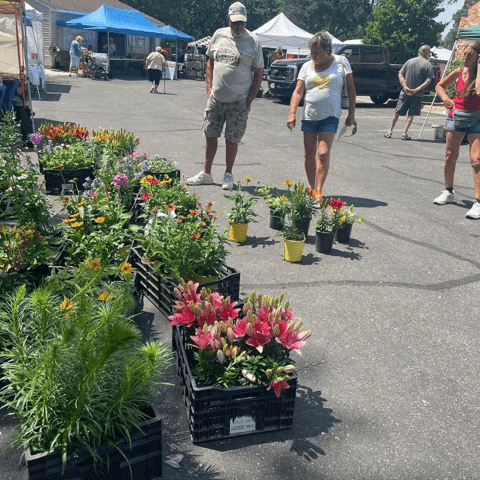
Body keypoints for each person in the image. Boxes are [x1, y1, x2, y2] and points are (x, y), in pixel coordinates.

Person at [186, 2, 263, 190]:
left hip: (239, 100)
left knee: (232, 138)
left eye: (242, 23)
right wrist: (209, 89)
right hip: (216, 99)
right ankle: (206, 173)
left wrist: (249, 98)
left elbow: (259, 73)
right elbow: (210, 63)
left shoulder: (253, 41)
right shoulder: (219, 35)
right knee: (210, 135)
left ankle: (228, 174)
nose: (238, 27)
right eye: (235, 22)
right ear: (228, 19)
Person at [286, 31, 356, 194]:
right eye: (311, 52)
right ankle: (312, 187)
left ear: (328, 50)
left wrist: (351, 113)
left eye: (317, 52)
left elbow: (351, 89)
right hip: (309, 116)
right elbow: (297, 92)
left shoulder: (340, 62)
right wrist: (292, 113)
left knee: (323, 153)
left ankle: (319, 190)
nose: (313, 55)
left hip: (330, 115)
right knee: (308, 154)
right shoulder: (306, 66)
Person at [433, 41, 480, 219]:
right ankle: (448, 191)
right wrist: (445, 98)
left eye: (470, 55)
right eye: (464, 54)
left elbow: (479, 92)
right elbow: (439, 85)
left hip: (477, 117)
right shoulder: (459, 71)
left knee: (476, 160)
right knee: (450, 156)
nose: (465, 58)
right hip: (456, 115)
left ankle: (478, 202)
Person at [384, 45, 434, 140]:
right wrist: (416, 90)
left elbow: (400, 74)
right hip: (417, 94)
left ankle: (389, 131)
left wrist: (405, 86)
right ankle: (404, 133)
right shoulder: (427, 65)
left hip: (404, 92)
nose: (429, 55)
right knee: (411, 115)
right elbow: (428, 81)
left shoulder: (409, 61)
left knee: (397, 113)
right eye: (429, 52)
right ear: (425, 52)